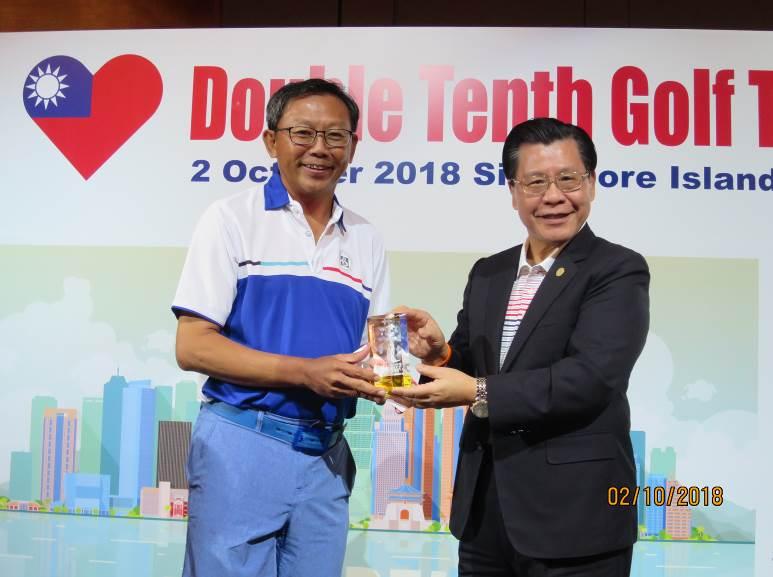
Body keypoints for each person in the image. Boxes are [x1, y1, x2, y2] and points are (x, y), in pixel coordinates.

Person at [390, 117, 649, 577]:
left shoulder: (617, 270)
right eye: (535, 182)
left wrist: (476, 393)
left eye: (568, 179)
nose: (553, 196)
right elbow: (472, 364)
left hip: (575, 517)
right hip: (485, 511)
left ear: (591, 183)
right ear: (512, 191)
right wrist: (438, 354)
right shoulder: (489, 272)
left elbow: (590, 379)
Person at [172, 78, 389, 577]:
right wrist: (304, 372)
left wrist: (402, 357)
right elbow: (193, 346)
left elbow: (369, 353)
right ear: (272, 141)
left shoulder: (366, 238)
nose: (320, 148)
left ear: (353, 146)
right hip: (243, 444)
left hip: (327, 451)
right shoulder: (230, 218)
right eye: (303, 133)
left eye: (336, 136)